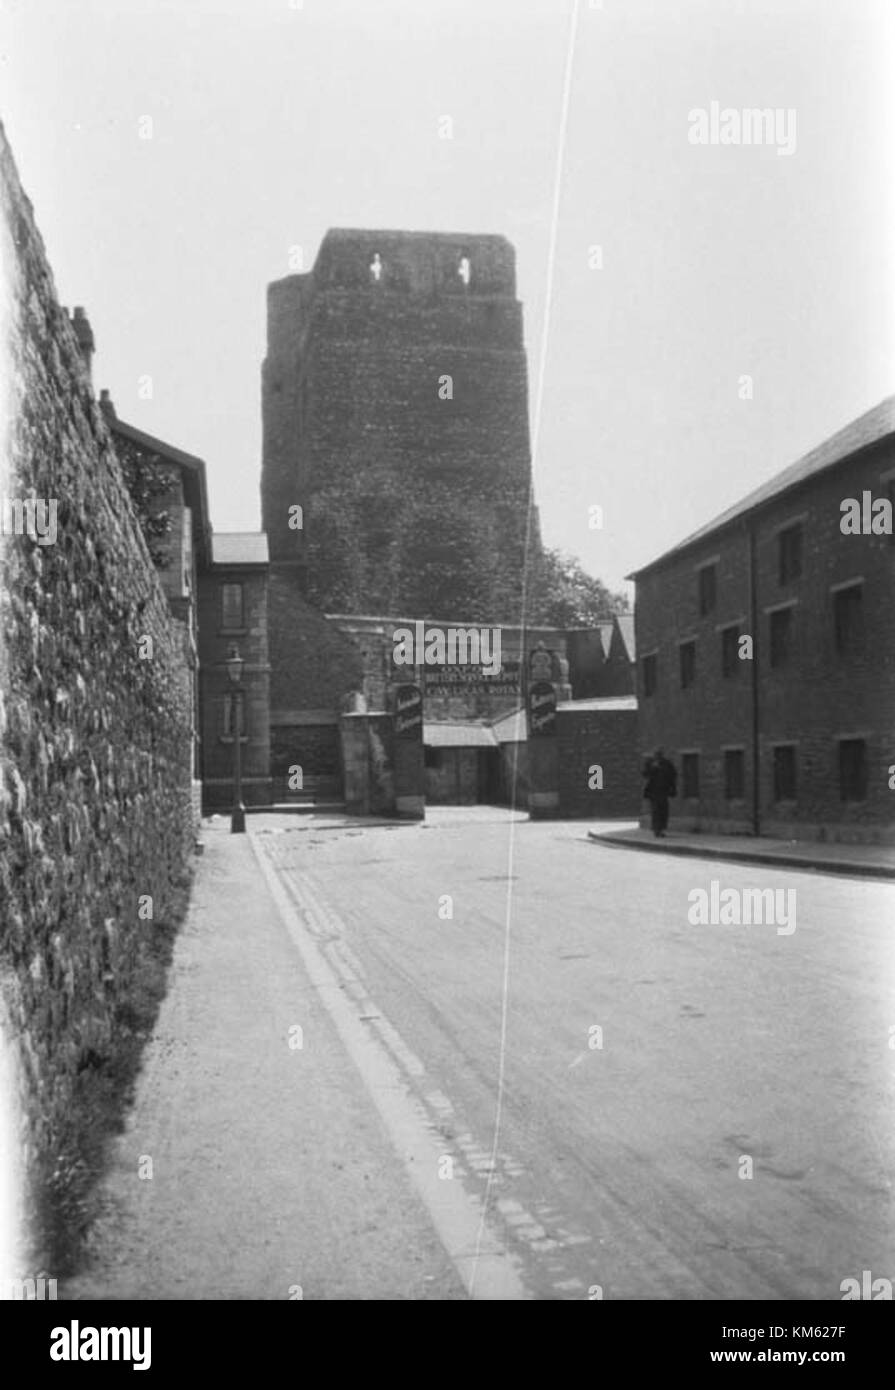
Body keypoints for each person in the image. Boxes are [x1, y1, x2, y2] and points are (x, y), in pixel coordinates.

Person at [642, 747, 677, 837]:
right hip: (653, 791)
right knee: (656, 810)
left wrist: (673, 789)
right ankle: (657, 829)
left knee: (663, 811)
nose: (658, 757)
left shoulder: (667, 764)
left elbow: (673, 776)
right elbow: (645, 774)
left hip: (664, 791)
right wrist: (653, 768)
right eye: (657, 755)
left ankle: (661, 828)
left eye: (659, 755)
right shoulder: (650, 763)